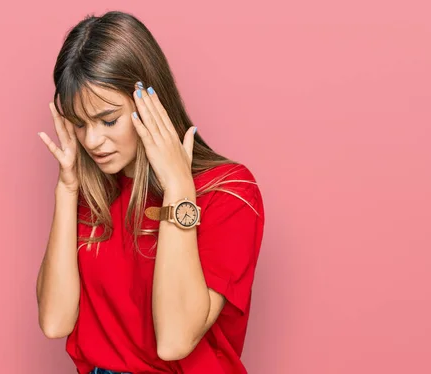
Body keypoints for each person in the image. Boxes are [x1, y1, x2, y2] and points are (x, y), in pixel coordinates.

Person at [36, 10, 265, 374]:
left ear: (150, 102)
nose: (93, 141)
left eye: (108, 120)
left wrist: (177, 190)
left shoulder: (229, 192)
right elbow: (55, 321)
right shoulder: (92, 194)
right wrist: (67, 189)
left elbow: (175, 340)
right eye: (80, 124)